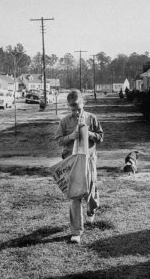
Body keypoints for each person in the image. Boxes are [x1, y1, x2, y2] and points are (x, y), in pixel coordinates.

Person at [54, 89, 103, 243]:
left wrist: (89, 134)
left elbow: (101, 137)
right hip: (72, 161)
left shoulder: (92, 118)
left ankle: (91, 209)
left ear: (83, 103)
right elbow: (58, 140)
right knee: (75, 195)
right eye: (72, 108)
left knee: (91, 188)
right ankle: (76, 231)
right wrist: (71, 136)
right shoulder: (65, 121)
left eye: (78, 108)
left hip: (89, 160)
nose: (75, 112)